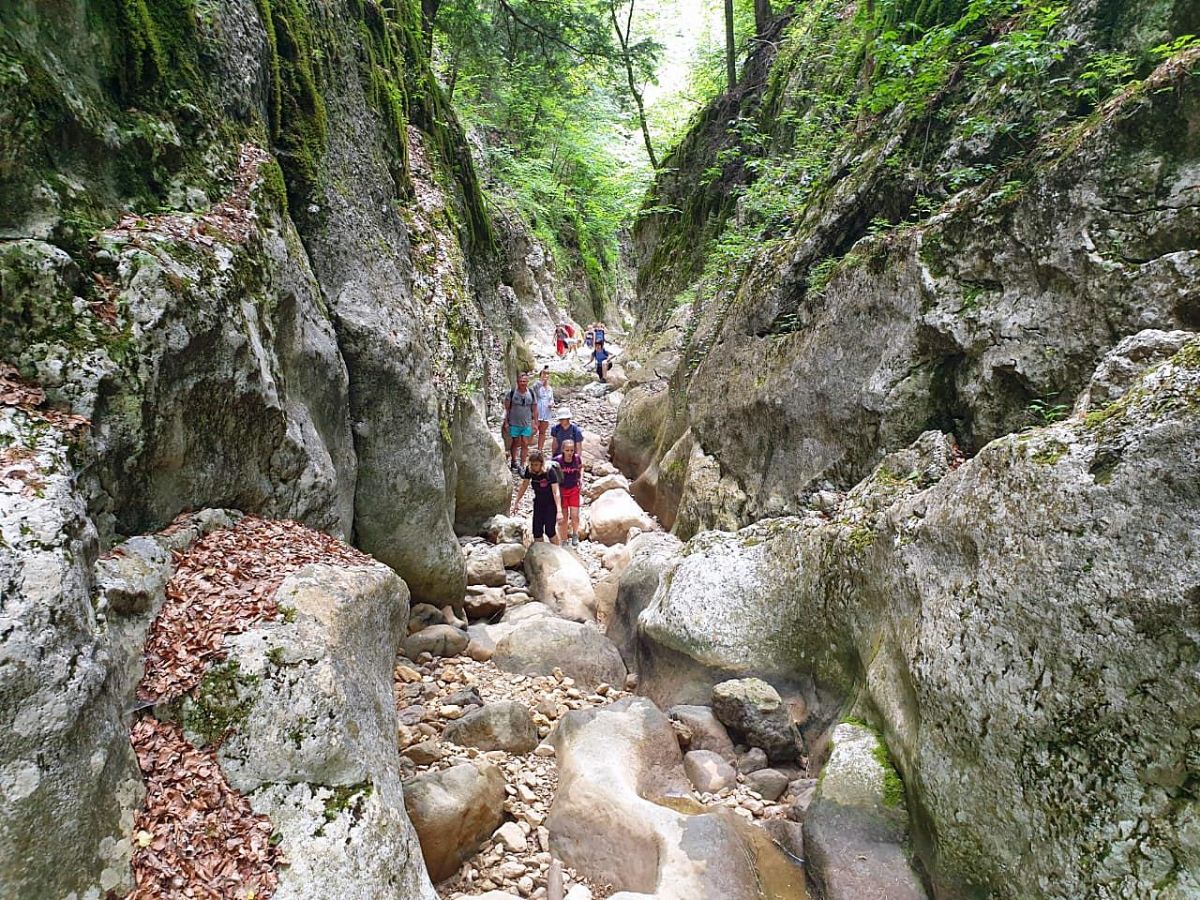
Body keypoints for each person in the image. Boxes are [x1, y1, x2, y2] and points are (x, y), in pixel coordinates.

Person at [510, 450, 561, 544]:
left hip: (551, 504)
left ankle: (559, 551)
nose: (534, 467)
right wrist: (516, 502)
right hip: (538, 503)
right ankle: (540, 553)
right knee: (537, 532)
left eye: (536, 464)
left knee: (550, 531)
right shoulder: (529, 470)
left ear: (541, 464)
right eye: (532, 464)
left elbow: (556, 491)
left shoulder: (550, 471)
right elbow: (524, 485)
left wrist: (559, 511)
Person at [503, 372, 536, 473]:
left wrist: (535, 423)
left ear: (527, 382)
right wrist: (506, 422)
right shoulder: (512, 393)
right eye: (521, 381)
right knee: (516, 442)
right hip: (514, 423)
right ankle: (514, 461)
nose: (522, 383)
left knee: (525, 443)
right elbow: (506, 409)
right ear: (517, 382)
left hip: (526, 423)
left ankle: (522, 465)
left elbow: (534, 408)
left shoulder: (531, 393)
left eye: (524, 381)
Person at [555, 439, 583, 545]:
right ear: (563, 450)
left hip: (574, 489)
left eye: (572, 450)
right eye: (567, 450)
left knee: (575, 515)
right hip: (562, 491)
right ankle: (564, 539)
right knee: (564, 517)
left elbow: (581, 468)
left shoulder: (576, 459)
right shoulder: (557, 461)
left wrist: (581, 479)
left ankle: (575, 534)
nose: (570, 453)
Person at [533, 367, 554, 452]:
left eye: (547, 374)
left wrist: (552, 403)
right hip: (537, 411)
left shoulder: (550, 388)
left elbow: (551, 398)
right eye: (544, 374)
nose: (546, 376)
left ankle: (540, 449)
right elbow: (535, 388)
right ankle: (525, 445)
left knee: (542, 431)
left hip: (546, 411)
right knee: (534, 430)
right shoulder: (537, 386)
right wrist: (542, 380)